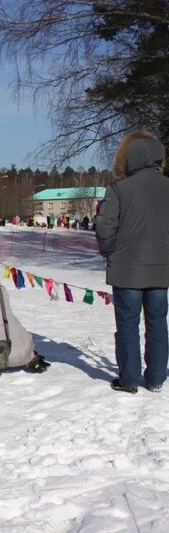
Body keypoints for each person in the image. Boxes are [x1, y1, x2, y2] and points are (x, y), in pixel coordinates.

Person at [96, 131, 169, 394]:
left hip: (126, 269)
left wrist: (108, 252)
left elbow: (105, 227)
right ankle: (156, 378)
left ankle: (129, 379)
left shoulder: (118, 189)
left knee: (127, 324)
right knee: (158, 323)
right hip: (160, 269)